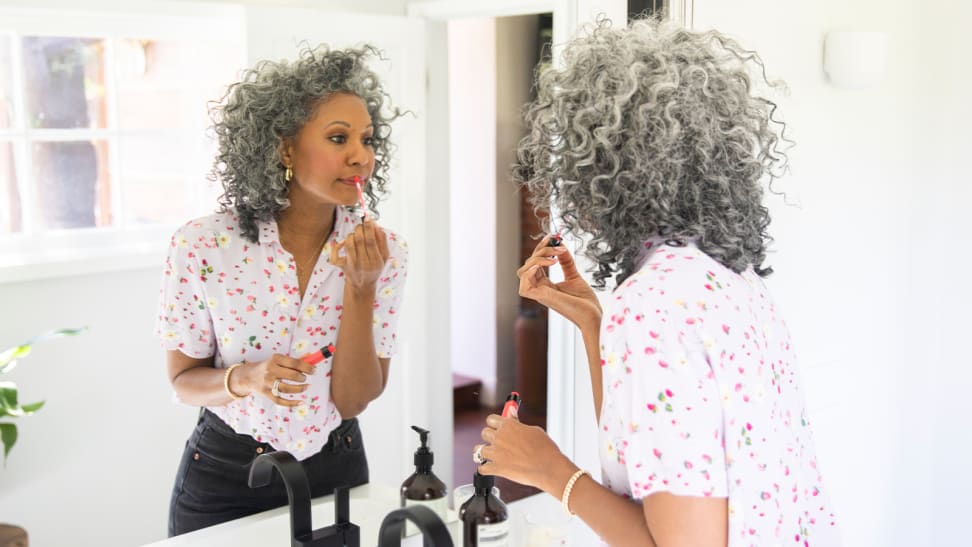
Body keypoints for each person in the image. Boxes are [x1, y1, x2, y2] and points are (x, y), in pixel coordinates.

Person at [473, 17, 841, 546]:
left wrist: (550, 470)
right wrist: (591, 320)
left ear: (598, 166)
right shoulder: (727, 279)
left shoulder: (653, 304)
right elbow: (651, 454)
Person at [154, 44, 408, 536]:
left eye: (367, 139)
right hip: (224, 476)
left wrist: (361, 288)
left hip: (336, 472)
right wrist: (245, 379)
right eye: (338, 138)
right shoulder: (204, 245)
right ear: (285, 148)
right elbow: (183, 381)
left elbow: (354, 401)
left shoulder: (385, 254)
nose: (360, 156)